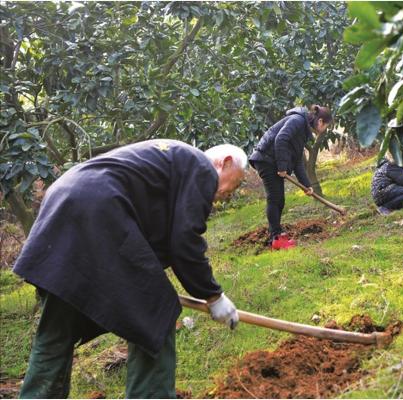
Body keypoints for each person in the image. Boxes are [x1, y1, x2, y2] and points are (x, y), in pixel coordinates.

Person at [13, 139, 248, 398]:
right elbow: (185, 242)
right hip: (100, 210)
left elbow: (158, 242)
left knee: (60, 322)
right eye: (233, 184)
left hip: (64, 203)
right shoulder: (201, 167)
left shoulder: (171, 163)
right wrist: (213, 295)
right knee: (155, 312)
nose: (228, 194)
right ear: (224, 163)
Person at [249, 105, 332, 250]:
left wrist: (307, 185)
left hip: (270, 161)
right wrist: (282, 167)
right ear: (320, 122)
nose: (324, 129)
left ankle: (275, 236)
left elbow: (297, 160)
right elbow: (281, 139)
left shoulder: (303, 130)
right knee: (276, 198)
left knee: (278, 199)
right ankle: (276, 238)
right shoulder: (297, 121)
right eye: (326, 126)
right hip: (266, 159)